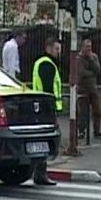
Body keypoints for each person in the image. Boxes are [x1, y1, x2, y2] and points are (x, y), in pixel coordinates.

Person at [30, 37, 62, 185]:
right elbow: (49, 88)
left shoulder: (42, 62)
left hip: (41, 105)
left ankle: (40, 173)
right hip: (46, 108)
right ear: (49, 48)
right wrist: (53, 107)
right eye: (56, 49)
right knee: (45, 141)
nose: (58, 52)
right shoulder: (47, 64)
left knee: (42, 140)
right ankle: (41, 174)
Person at [77, 39, 101, 138]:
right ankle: (81, 131)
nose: (89, 48)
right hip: (83, 88)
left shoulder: (94, 57)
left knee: (97, 110)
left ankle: (97, 130)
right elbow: (81, 73)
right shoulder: (79, 58)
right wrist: (92, 73)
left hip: (92, 88)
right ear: (82, 47)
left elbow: (98, 70)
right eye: (87, 46)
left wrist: (91, 60)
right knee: (84, 111)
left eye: (90, 46)